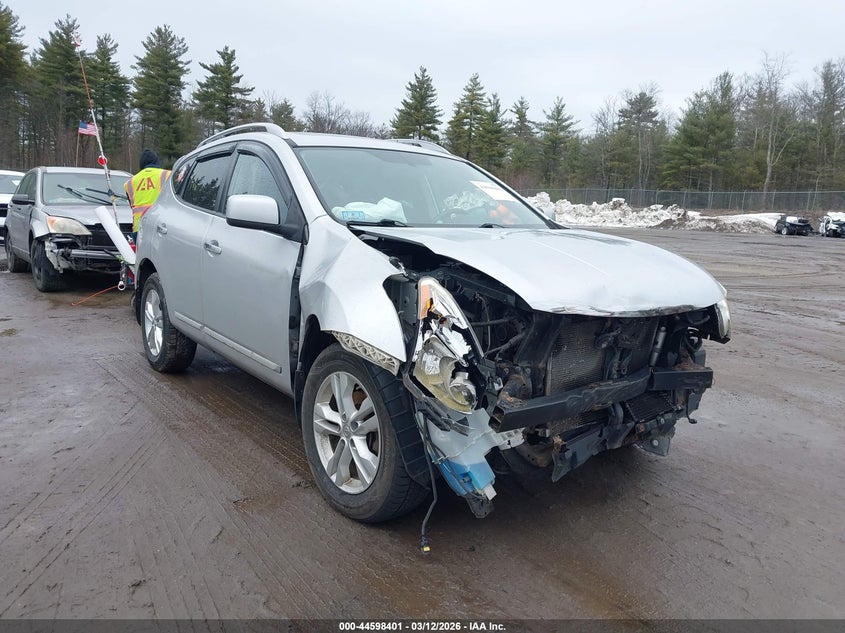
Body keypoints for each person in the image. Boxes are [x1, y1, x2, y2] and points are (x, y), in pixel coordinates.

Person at [125, 149, 171, 234]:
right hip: (161, 227)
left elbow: (132, 205)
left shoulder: (130, 182)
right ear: (157, 161)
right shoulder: (168, 175)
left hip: (138, 229)